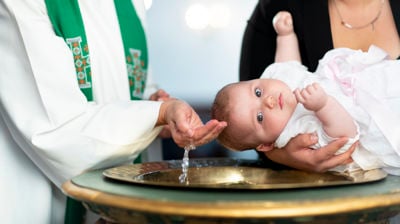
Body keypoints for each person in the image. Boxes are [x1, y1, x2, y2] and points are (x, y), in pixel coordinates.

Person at [0, 0, 227, 223]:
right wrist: (156, 114)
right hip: (44, 196)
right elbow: (54, 128)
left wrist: (158, 111)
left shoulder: (133, 3)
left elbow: (134, 86)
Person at [211, 11, 400, 175]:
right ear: (266, 146)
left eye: (258, 92)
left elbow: (288, 65)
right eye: (259, 117)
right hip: (375, 123)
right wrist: (324, 106)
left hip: (369, 83)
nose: (268, 101)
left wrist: (285, 36)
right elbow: (345, 137)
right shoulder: (296, 132)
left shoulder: (277, 81)